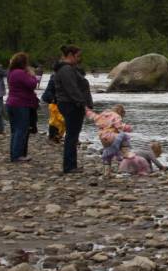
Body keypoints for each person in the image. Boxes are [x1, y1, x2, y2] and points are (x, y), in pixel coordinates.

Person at [53, 44, 93, 174]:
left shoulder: (68, 69)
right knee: (72, 135)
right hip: (71, 105)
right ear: (70, 55)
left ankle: (71, 165)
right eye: (78, 56)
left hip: (70, 103)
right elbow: (72, 89)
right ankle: (69, 166)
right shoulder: (66, 70)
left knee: (73, 135)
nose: (79, 59)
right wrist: (82, 104)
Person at [6, 52, 38, 163]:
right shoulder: (20, 73)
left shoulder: (11, 72)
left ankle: (14, 154)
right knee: (21, 129)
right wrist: (32, 75)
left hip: (11, 102)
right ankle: (17, 155)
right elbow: (32, 84)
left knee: (15, 130)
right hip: (21, 104)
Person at [90, 104, 132, 175]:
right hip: (111, 136)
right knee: (124, 138)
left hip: (102, 136)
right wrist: (127, 127)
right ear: (121, 112)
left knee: (107, 152)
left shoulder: (104, 115)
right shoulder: (116, 116)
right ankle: (126, 158)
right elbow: (119, 126)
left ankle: (107, 173)